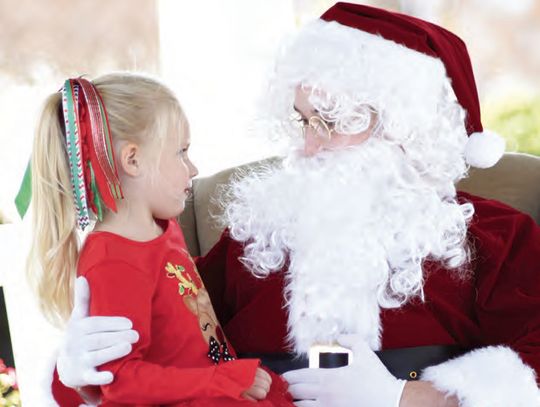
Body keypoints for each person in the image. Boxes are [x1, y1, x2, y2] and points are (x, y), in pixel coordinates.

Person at [50, 4, 540, 407]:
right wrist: (78, 372)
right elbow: (166, 339)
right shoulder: (256, 238)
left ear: (407, 128)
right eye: (305, 122)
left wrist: (407, 396)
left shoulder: (494, 236)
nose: (309, 146)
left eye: (331, 121)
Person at [26, 73, 292, 406]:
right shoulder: (113, 261)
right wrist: (221, 379)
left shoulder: (163, 226)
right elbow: (121, 383)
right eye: (181, 152)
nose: (192, 168)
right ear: (133, 160)